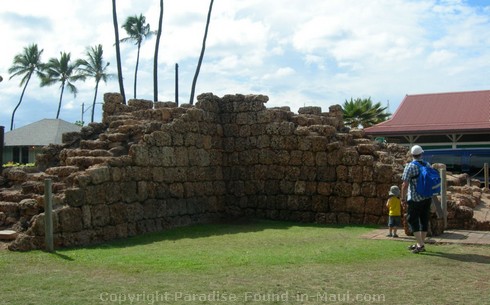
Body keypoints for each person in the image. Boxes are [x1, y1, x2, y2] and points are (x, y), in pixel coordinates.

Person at [401, 145, 432, 253]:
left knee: (411, 219)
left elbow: (405, 184)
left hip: (415, 198)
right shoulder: (427, 164)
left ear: (412, 155)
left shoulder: (410, 166)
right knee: (424, 220)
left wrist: (402, 199)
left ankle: (421, 245)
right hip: (427, 197)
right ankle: (420, 243)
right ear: (421, 154)